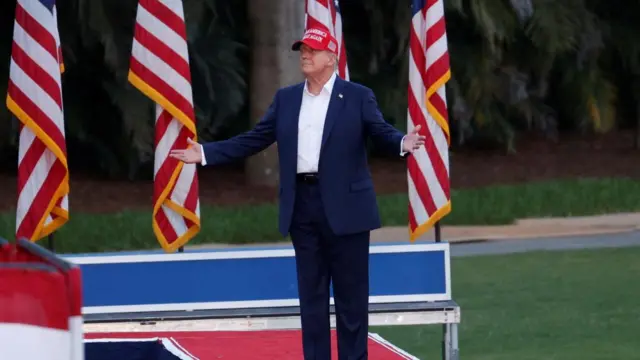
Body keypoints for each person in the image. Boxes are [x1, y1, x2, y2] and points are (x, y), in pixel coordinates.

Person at [169, 27, 425, 360]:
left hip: (347, 209)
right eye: (302, 49)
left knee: (351, 301)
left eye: (313, 50)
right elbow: (255, 138)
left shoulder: (357, 96)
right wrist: (205, 153)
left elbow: (379, 130)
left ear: (331, 58)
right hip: (302, 207)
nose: (305, 55)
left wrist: (401, 143)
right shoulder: (286, 99)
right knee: (312, 300)